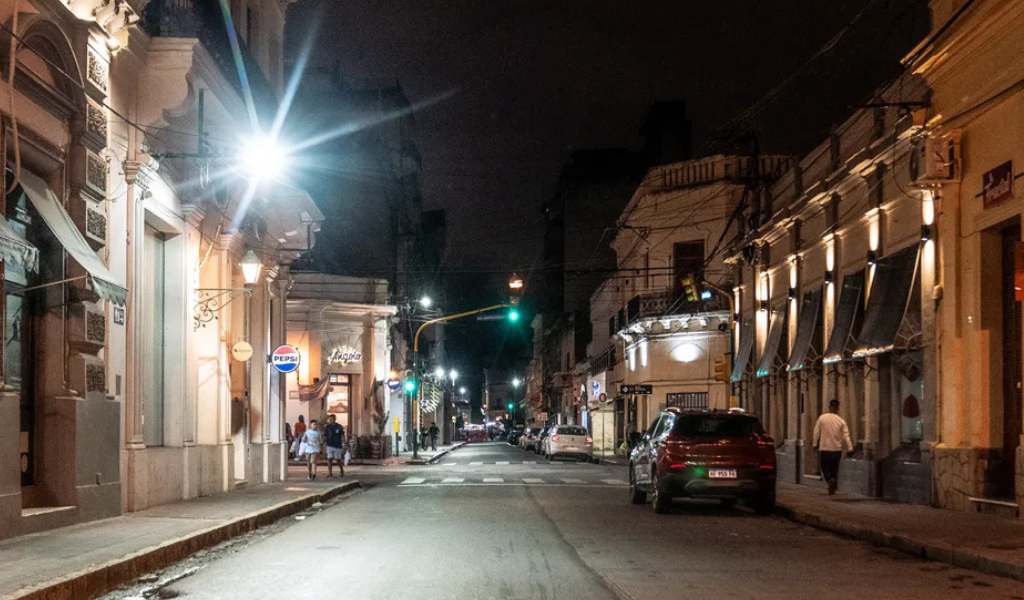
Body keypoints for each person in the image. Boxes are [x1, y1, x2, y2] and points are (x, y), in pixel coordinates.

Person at [813, 399, 854, 495]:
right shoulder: (841, 421)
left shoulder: (822, 418)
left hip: (825, 448)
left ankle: (829, 480)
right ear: (837, 408)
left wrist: (815, 444)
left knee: (824, 467)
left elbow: (816, 432)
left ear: (829, 407)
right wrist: (850, 448)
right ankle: (833, 480)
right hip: (836, 449)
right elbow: (846, 435)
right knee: (834, 468)